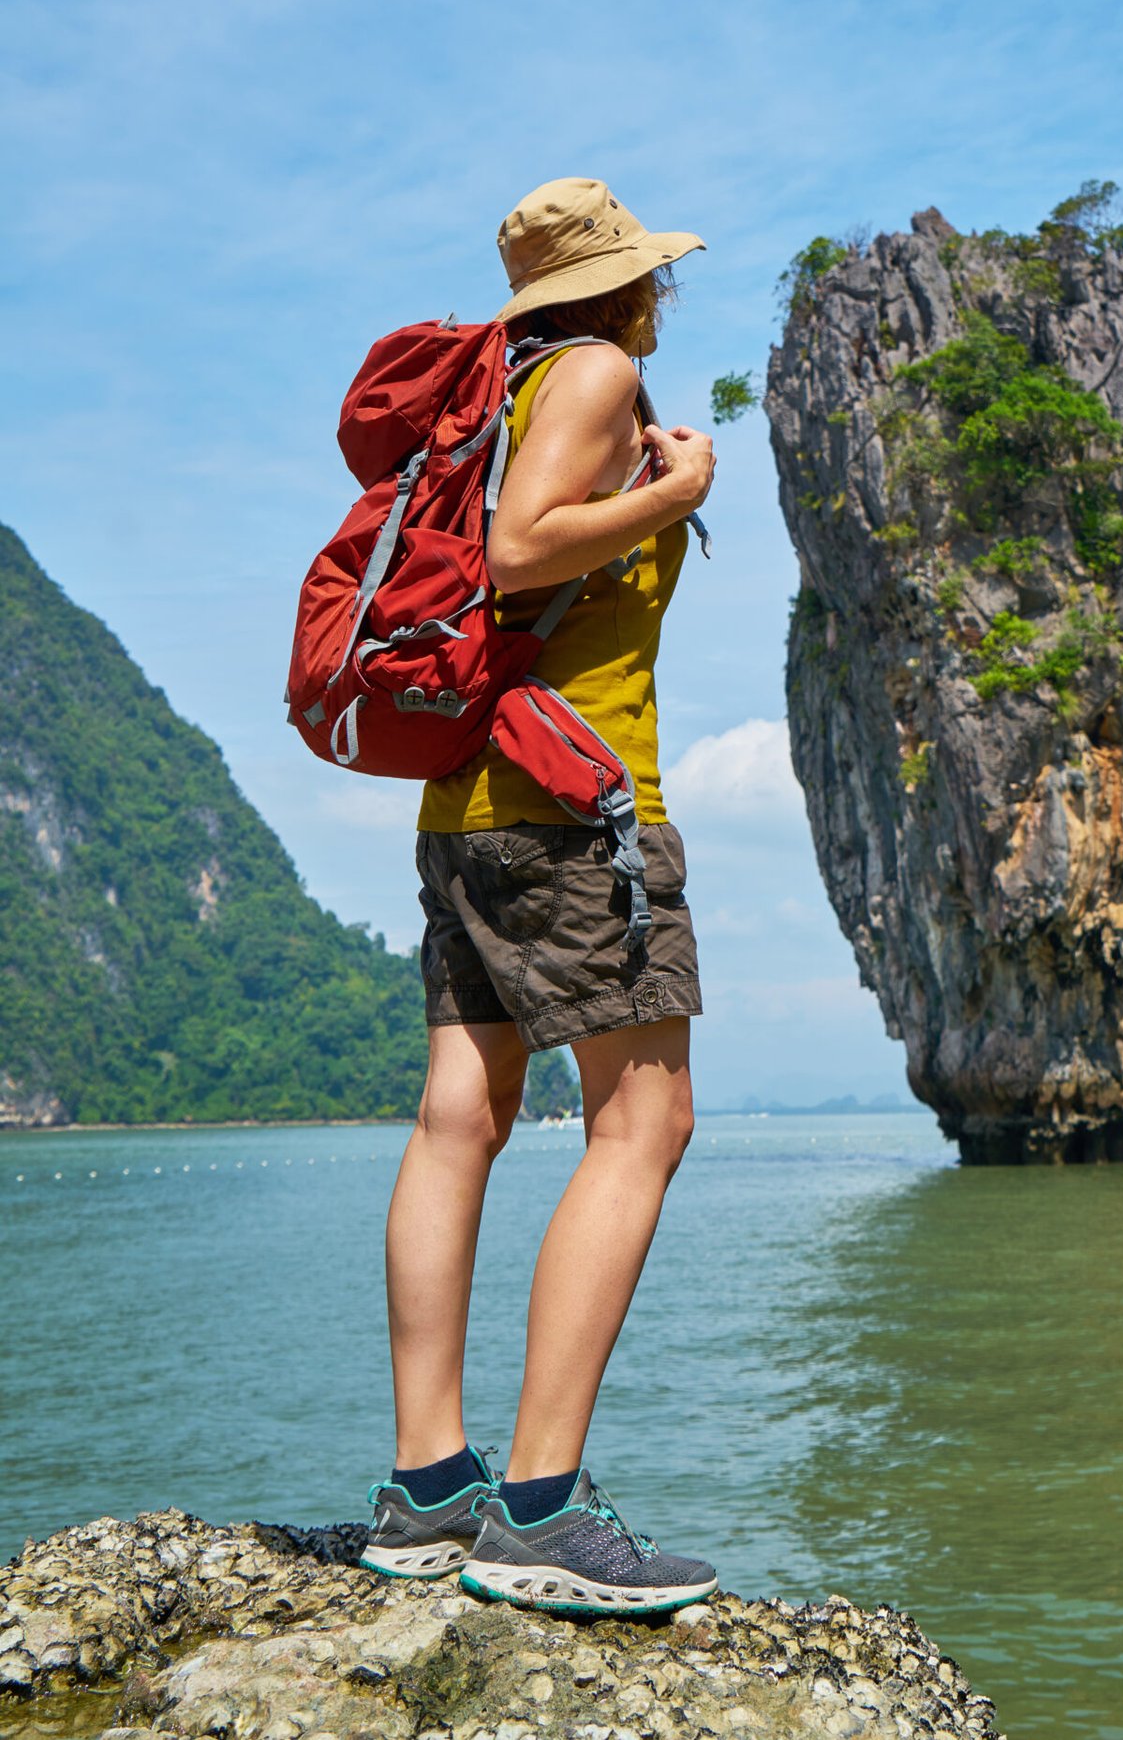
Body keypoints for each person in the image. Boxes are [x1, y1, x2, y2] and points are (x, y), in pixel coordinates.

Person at [361, 177, 719, 1612]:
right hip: (574, 810)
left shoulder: (496, 390)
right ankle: (541, 1508)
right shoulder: (596, 373)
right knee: (647, 1117)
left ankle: (428, 1489)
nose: (661, 299)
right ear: (623, 287)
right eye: (652, 278)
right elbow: (517, 555)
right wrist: (673, 493)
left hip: (468, 806)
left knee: (464, 1114)